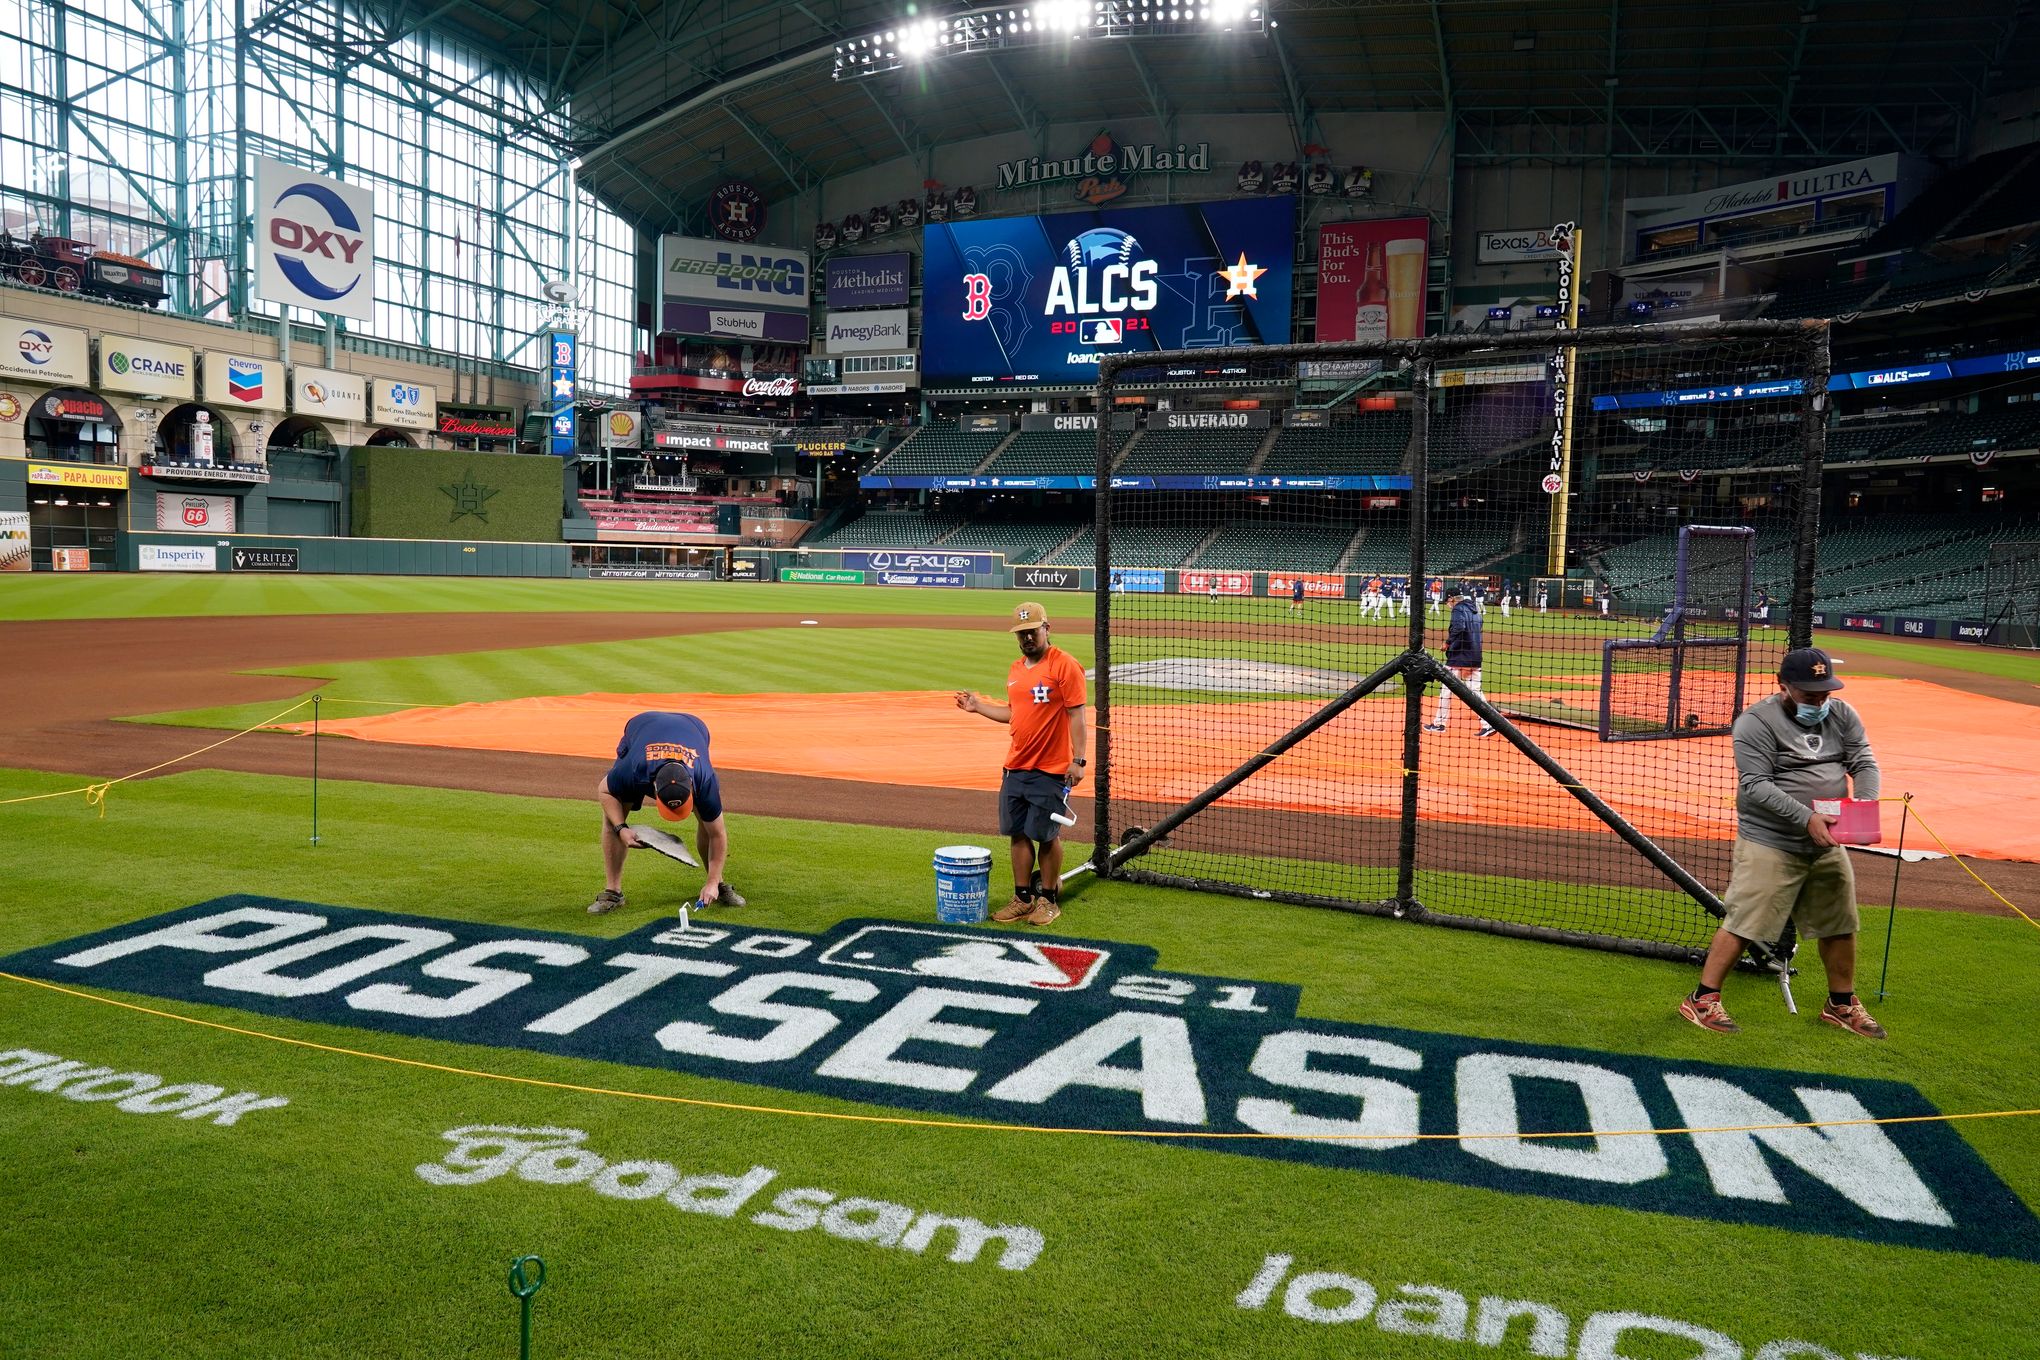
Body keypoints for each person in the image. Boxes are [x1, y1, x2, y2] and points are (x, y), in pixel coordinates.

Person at [1680, 648, 1885, 1038]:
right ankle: (1702, 1000)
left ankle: (1841, 1004)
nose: (1820, 702)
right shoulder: (1756, 722)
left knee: (1839, 922)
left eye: (1824, 693)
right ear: (1784, 687)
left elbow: (1864, 761)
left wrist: (1863, 803)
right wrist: (1806, 817)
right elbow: (1755, 785)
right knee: (1744, 921)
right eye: (1810, 695)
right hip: (1770, 840)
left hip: (1827, 840)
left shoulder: (1842, 714)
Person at [956, 601, 1088, 927]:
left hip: (1051, 769)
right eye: (1021, 633)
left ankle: (1049, 901)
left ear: (1047, 628)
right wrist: (978, 707)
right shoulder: (1016, 670)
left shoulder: (1065, 665)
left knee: (1046, 834)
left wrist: (1079, 760)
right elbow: (1014, 714)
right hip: (1016, 766)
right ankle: (1023, 898)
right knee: (1017, 833)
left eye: (1032, 631)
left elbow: (1077, 716)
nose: (1027, 637)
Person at [589, 710, 740, 916]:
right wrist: (621, 828)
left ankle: (716, 884)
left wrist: (713, 881)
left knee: (708, 823)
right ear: (653, 789)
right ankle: (613, 891)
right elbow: (604, 791)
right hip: (642, 726)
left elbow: (717, 833)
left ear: (691, 791)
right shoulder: (634, 769)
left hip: (693, 727)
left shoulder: (704, 781)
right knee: (612, 817)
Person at [1424, 587, 1494, 737]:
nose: (1448, 604)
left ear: (1451, 599)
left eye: (1448, 601)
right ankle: (1489, 724)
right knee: (1475, 692)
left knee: (1446, 690)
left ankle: (1439, 724)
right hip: (1475, 656)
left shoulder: (1458, 609)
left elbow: (1459, 627)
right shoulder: (1475, 610)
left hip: (1459, 657)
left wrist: (1447, 643)